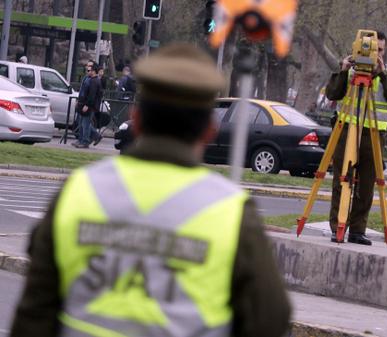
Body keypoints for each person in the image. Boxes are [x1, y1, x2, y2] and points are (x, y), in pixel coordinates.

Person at [10, 43, 291, 337]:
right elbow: (270, 319)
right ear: (210, 130)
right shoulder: (232, 214)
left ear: (137, 119)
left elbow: (33, 315)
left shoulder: (78, 192)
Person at [325, 30, 387, 246]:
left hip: (373, 134)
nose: (374, 54)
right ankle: (337, 227)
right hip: (346, 129)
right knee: (341, 180)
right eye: (370, 49)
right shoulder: (349, 71)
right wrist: (342, 70)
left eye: (379, 50)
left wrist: (382, 74)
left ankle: (358, 230)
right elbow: (332, 94)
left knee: (366, 185)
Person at [72, 62, 103, 148]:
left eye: (89, 69)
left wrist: (87, 105)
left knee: (85, 124)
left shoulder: (95, 81)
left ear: (93, 71)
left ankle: (85, 141)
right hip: (83, 104)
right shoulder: (89, 79)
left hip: (88, 106)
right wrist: (79, 101)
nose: (87, 70)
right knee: (82, 123)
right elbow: (83, 91)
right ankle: (82, 139)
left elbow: (92, 95)